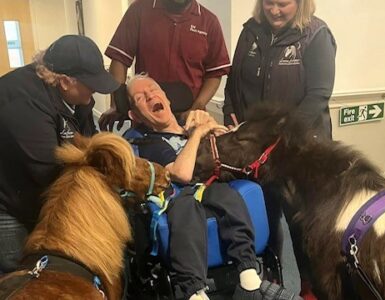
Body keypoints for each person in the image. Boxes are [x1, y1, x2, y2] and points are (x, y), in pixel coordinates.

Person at [127, 74, 302, 300]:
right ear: (134, 115)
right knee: (186, 209)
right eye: (141, 97)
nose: (151, 95)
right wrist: (198, 133)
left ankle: (248, 274)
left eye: (153, 89)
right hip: (178, 196)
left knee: (227, 195)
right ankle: (193, 291)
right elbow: (181, 174)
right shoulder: (149, 142)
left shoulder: (191, 122)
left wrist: (223, 134)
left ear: (167, 99)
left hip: (210, 187)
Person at [223, 0, 336, 298]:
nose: (275, 10)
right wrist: (231, 114)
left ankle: (311, 291)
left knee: (303, 226)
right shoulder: (250, 31)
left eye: (283, 3)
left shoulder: (316, 34)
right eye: (269, 2)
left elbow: (319, 95)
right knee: (265, 217)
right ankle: (274, 283)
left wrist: (280, 135)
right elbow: (233, 83)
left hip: (300, 151)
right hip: (260, 153)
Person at [0, 35, 120, 273]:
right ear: (66, 81)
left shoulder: (79, 98)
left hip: (39, 195)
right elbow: (49, 171)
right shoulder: (21, 102)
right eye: (91, 84)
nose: (95, 90)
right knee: (19, 277)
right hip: (7, 205)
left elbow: (90, 146)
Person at [99, 0, 231, 131]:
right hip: (148, 119)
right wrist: (117, 104)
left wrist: (196, 107)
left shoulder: (209, 21)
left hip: (188, 119)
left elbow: (214, 73)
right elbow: (120, 59)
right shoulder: (139, 10)